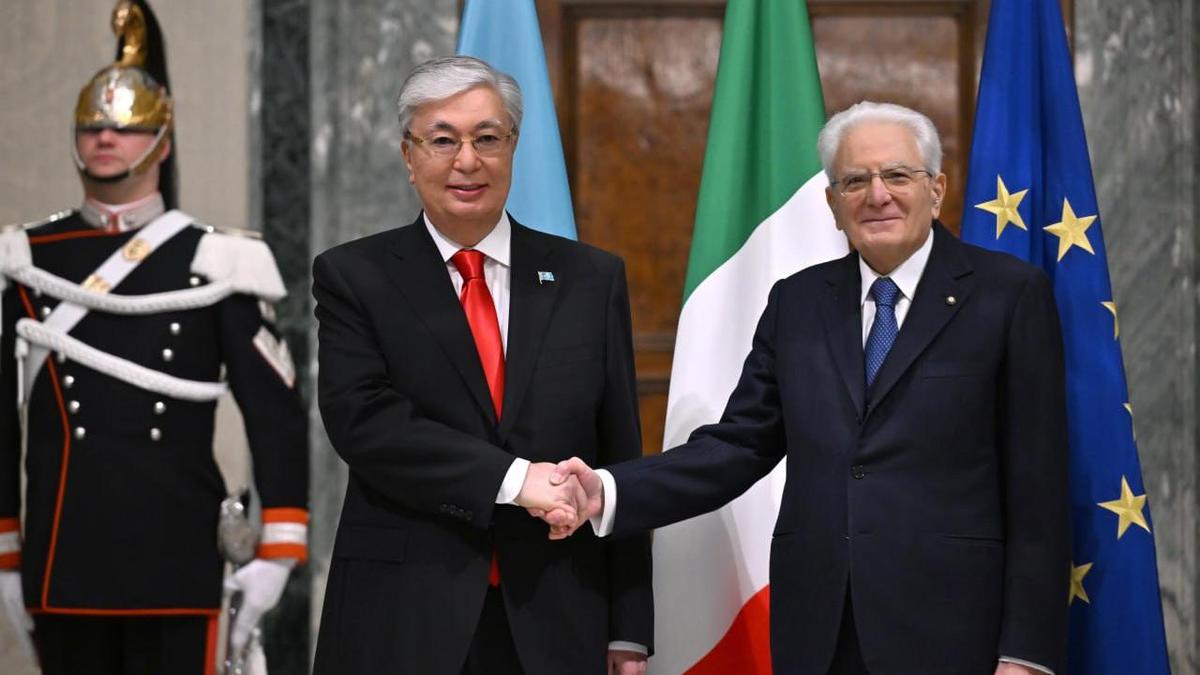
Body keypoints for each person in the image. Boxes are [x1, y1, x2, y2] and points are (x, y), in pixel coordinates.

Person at [547, 102, 1070, 675]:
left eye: (897, 175)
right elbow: (738, 446)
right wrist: (608, 490)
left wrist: (1025, 653)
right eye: (855, 181)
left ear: (937, 189)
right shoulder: (797, 302)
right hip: (820, 631)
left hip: (956, 632)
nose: (877, 195)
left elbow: (1038, 489)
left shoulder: (1007, 296)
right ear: (832, 204)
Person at [310, 55, 653, 675]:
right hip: (404, 612)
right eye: (443, 140)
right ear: (408, 156)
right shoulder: (354, 276)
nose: (467, 161)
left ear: (513, 148)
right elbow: (365, 423)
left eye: (487, 139)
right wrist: (517, 480)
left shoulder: (590, 278)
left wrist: (629, 628)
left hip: (558, 614)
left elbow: (618, 452)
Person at [0, 2, 308, 673]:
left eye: (126, 126)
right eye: (92, 127)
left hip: (177, 557)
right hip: (64, 557)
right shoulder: (25, 259)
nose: (105, 138)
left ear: (163, 143)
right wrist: (6, 550)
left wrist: (279, 547)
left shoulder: (217, 260)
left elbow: (274, 412)